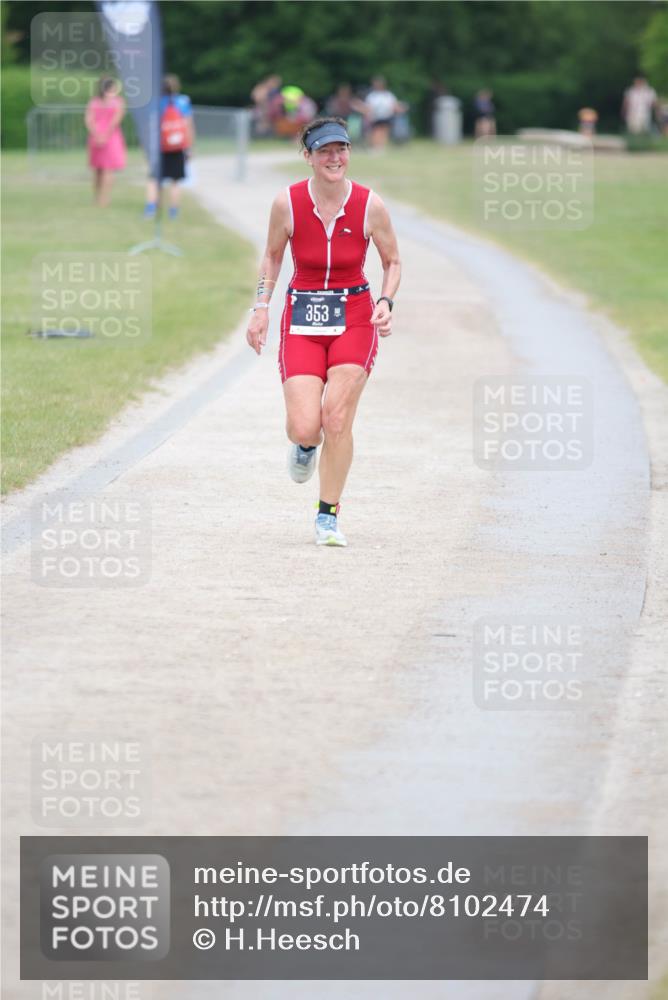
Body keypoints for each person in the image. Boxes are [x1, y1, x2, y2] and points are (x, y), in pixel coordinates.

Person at [245, 117, 401, 546]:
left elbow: (393, 261)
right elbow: (273, 257)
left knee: (336, 418)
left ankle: (327, 516)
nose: (335, 158)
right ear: (308, 157)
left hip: (354, 315)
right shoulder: (287, 204)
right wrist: (261, 308)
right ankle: (304, 446)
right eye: (325, 151)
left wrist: (385, 302)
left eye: (342, 149)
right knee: (305, 426)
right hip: (303, 316)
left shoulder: (370, 205)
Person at [144, 75, 195, 219]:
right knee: (175, 181)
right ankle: (173, 211)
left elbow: (150, 126)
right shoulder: (183, 101)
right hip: (178, 147)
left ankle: (151, 207)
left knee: (154, 178)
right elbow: (188, 126)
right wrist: (190, 147)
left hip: (160, 147)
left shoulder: (156, 103)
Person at [85, 77, 126, 207]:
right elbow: (116, 120)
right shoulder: (118, 102)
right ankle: (104, 198)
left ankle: (97, 198)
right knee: (107, 170)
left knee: (98, 169)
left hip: (97, 136)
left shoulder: (94, 102)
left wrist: (97, 134)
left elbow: (88, 120)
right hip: (111, 137)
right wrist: (104, 135)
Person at [363, 76, 407, 151]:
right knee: (376, 132)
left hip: (386, 116)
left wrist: (400, 108)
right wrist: (368, 115)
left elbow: (394, 105)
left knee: (384, 132)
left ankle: (381, 147)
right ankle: (375, 147)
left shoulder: (388, 95)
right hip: (375, 116)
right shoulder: (372, 96)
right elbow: (368, 107)